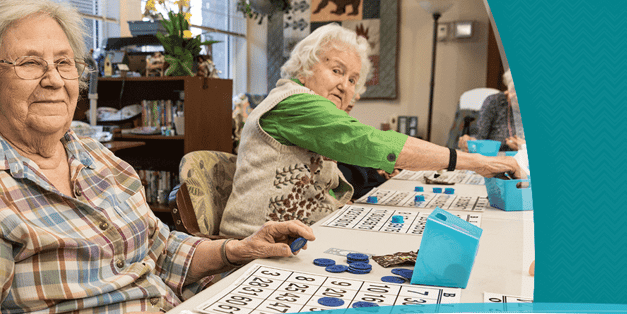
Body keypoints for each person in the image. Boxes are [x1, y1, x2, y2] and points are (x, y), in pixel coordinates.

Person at [0, 0, 315, 314]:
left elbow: (160, 249)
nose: (54, 79)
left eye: (65, 63)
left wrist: (234, 250)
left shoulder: (94, 155)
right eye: (30, 63)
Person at [221, 24, 524, 237]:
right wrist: (481, 163)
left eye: (353, 80)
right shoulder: (293, 102)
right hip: (253, 249)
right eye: (336, 70)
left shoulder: (310, 108)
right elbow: (370, 142)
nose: (344, 85)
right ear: (305, 68)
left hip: (298, 238)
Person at [458, 70, 525, 152]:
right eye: (514, 90)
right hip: (495, 158)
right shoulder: (494, 101)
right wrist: (468, 141)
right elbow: (479, 137)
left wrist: (525, 148)